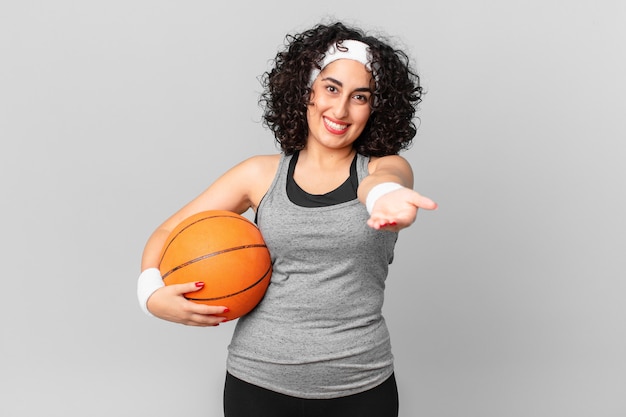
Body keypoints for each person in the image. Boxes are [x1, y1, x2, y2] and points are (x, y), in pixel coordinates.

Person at [137, 20, 437, 417]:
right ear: (306, 91)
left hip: (361, 383)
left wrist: (386, 197)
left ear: (375, 108)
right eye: (331, 88)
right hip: (258, 383)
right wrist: (150, 294)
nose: (341, 109)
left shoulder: (385, 169)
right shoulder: (259, 174)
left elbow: (383, 184)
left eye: (360, 96)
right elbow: (168, 230)